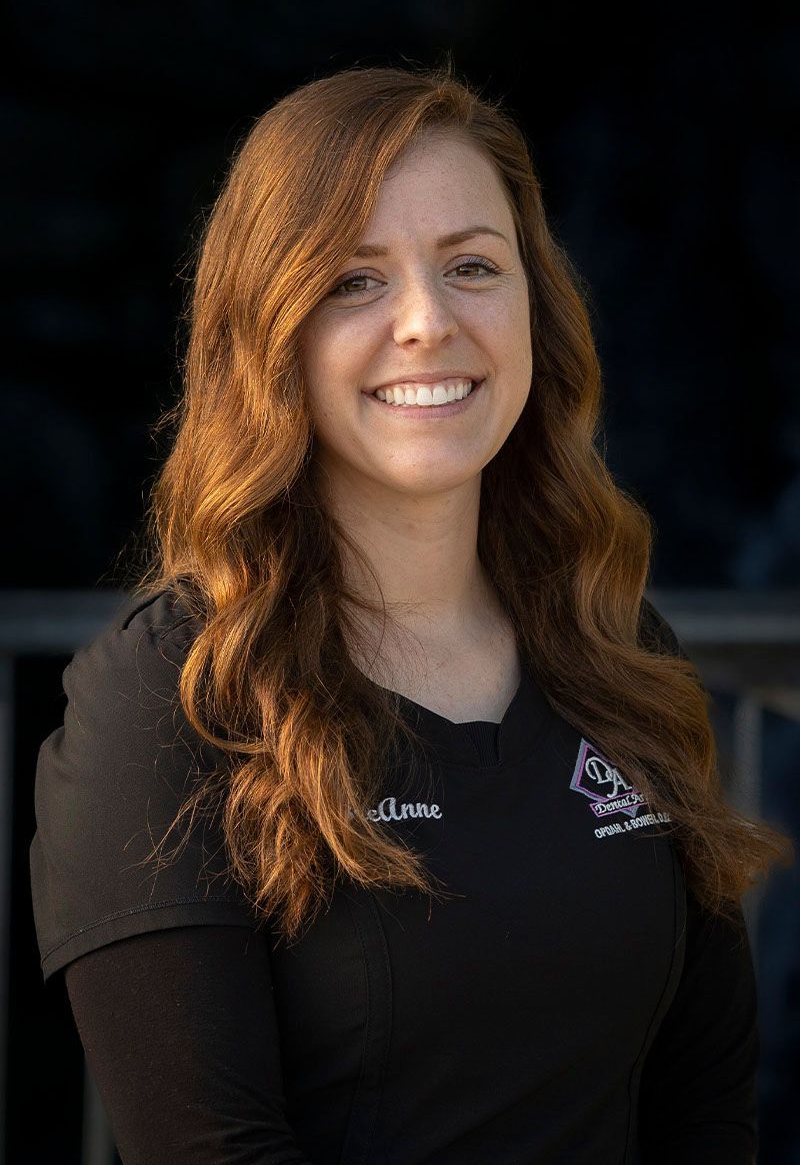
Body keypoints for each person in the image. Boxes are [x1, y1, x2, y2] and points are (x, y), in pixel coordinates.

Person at [29, 61, 794, 1164]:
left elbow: (706, 1119)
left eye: (471, 267)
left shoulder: (615, 655)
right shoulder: (170, 700)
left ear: (535, 306)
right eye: (354, 279)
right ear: (267, 329)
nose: (427, 323)